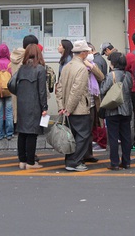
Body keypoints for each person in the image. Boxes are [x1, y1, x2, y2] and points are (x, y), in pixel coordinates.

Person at [55, 39, 93, 172]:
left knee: (71, 136)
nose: (88, 53)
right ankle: (75, 162)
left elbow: (58, 87)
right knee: (82, 136)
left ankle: (70, 160)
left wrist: (61, 106)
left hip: (66, 108)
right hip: (79, 109)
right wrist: (69, 109)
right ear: (83, 53)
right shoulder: (82, 68)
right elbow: (76, 91)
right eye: (87, 52)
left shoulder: (67, 66)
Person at [14, 44, 48, 169]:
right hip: (34, 105)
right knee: (32, 134)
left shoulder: (21, 68)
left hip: (22, 104)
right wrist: (44, 107)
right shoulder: (40, 69)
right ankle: (30, 162)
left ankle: (22, 161)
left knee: (22, 132)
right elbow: (42, 91)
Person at [100, 52, 133, 170]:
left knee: (113, 137)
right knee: (126, 137)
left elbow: (102, 90)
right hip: (126, 109)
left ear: (113, 63)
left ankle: (114, 163)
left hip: (113, 109)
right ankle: (126, 162)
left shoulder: (111, 75)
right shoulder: (128, 75)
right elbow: (129, 88)